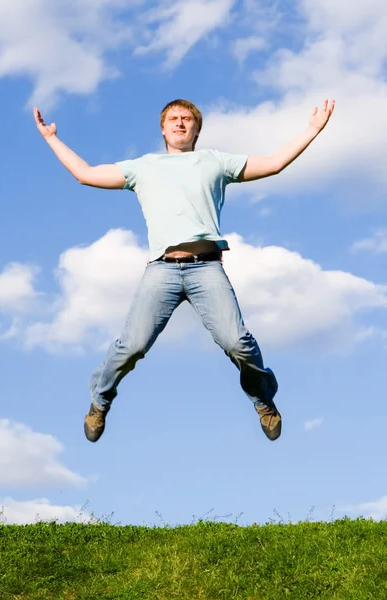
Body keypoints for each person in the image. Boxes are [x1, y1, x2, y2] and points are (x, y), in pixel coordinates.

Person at [34, 98, 335, 444]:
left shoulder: (216, 162)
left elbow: (273, 164)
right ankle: (99, 402)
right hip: (162, 270)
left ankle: (263, 400)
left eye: (187, 119)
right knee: (130, 346)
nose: (180, 123)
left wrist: (312, 130)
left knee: (237, 342)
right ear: (163, 128)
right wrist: (50, 138)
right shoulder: (142, 167)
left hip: (206, 269)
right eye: (173, 119)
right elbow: (85, 175)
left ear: (196, 128)